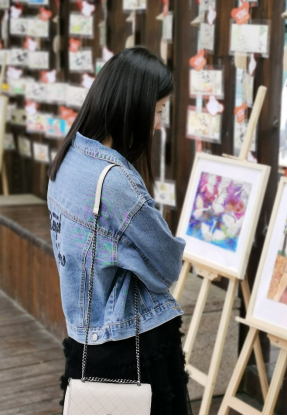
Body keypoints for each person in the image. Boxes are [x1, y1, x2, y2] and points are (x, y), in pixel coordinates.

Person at [47, 47, 192, 415]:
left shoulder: (68, 157)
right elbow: (167, 268)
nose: (158, 124)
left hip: (84, 339)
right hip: (132, 347)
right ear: (135, 107)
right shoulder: (115, 183)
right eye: (158, 112)